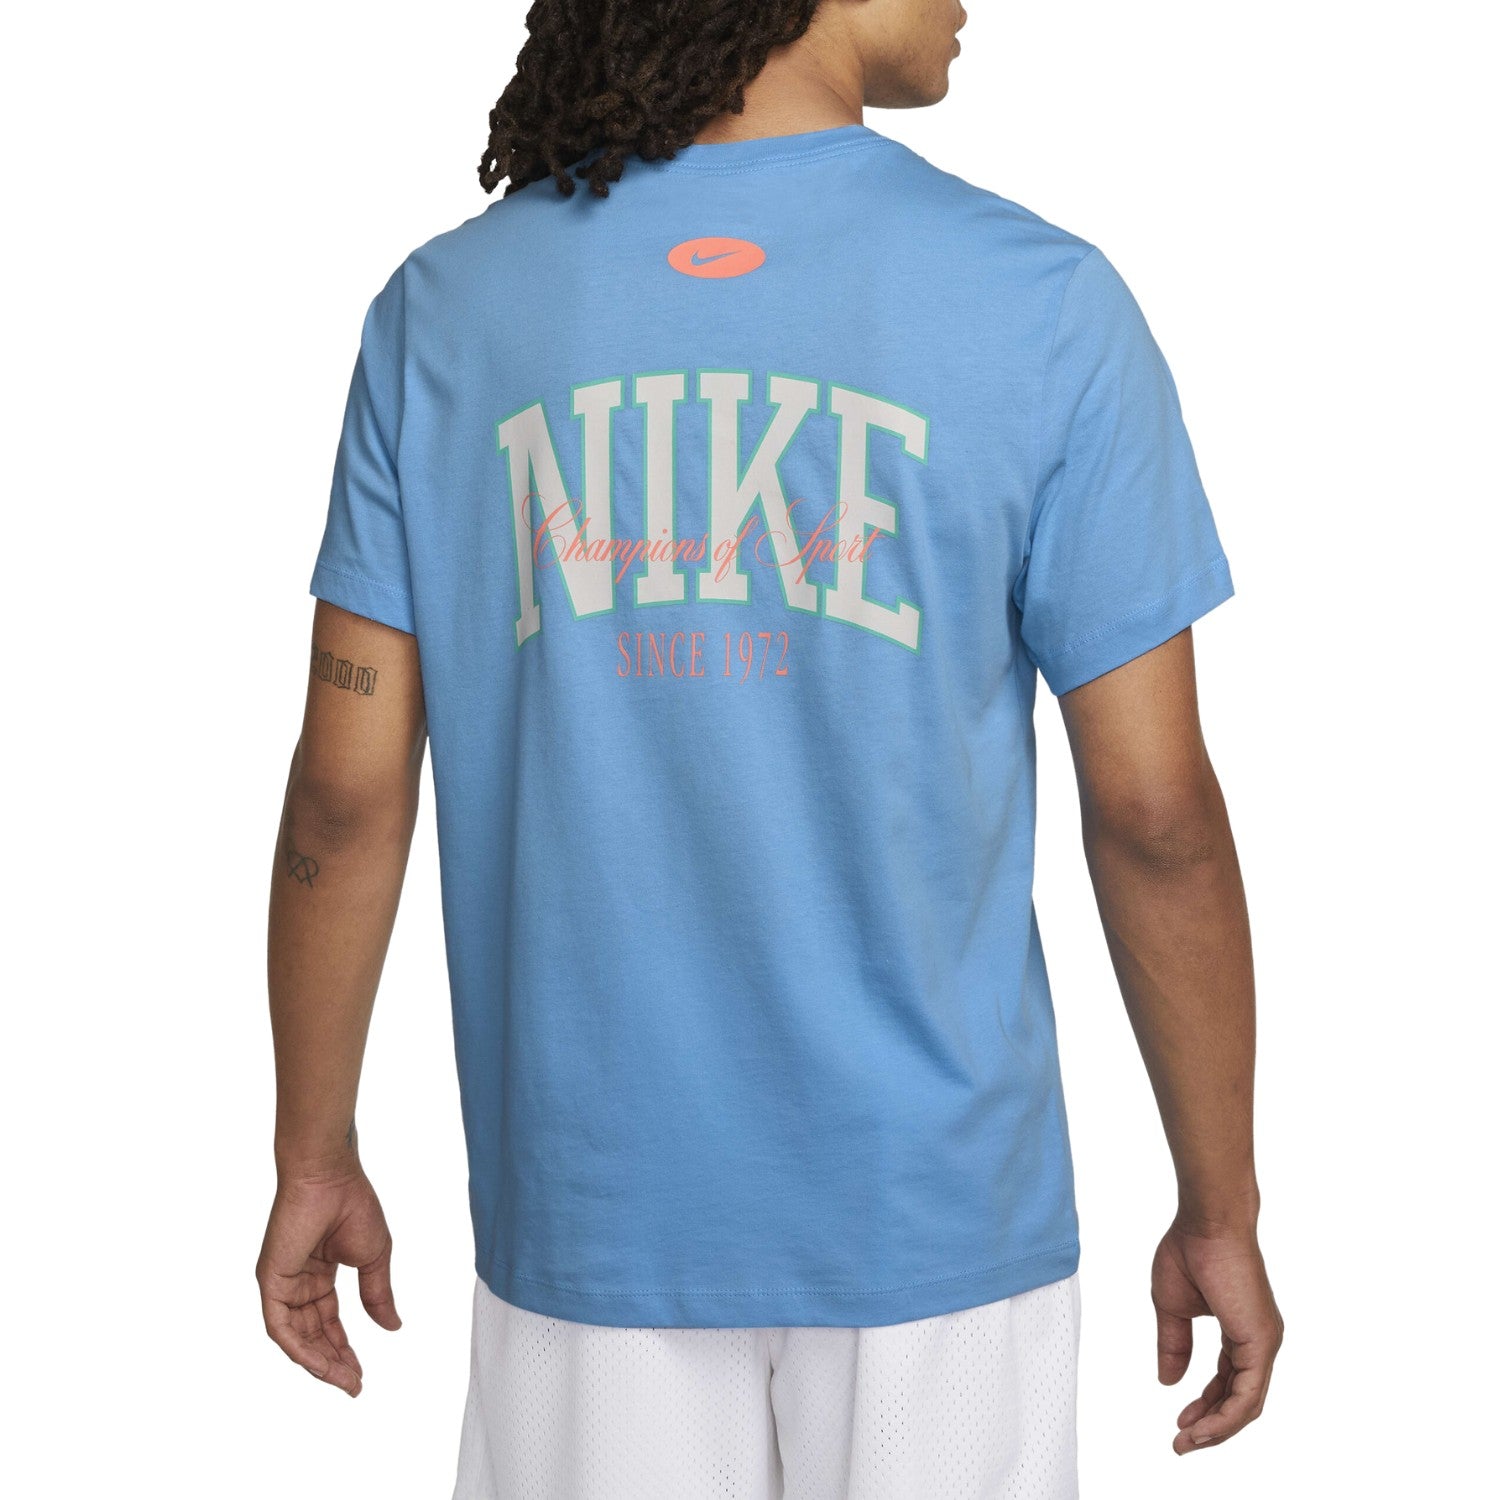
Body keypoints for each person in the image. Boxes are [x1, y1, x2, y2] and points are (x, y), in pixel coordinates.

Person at [258, 1, 1283, 1494]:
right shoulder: (1044, 305)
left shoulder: (448, 314)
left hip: (591, 1211)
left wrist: (311, 1152)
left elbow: (343, 799)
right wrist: (1221, 1203)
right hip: (937, 1225)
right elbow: (1154, 811)